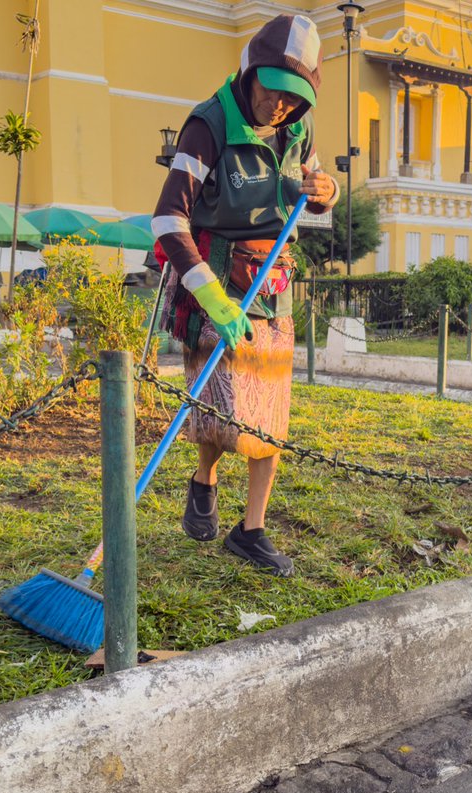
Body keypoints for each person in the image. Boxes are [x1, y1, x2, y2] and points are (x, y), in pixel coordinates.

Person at [152, 14, 339, 577]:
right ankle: (204, 478)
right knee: (222, 412)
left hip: (272, 278)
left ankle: (250, 529)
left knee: (270, 415)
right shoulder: (207, 127)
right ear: (248, 72)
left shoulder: (297, 129)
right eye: (272, 91)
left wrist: (325, 192)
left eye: (294, 98)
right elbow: (167, 219)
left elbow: (309, 189)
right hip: (214, 278)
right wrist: (213, 299)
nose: (279, 106)